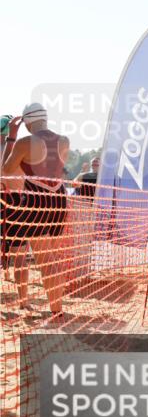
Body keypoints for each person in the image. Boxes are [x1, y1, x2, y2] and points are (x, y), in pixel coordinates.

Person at [1, 103, 69, 316]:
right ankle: (57, 309)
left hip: (37, 200)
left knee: (44, 261)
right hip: (59, 200)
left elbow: (6, 171)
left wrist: (11, 138)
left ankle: (56, 313)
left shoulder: (25, 142)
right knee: (52, 257)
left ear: (27, 122)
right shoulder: (64, 140)